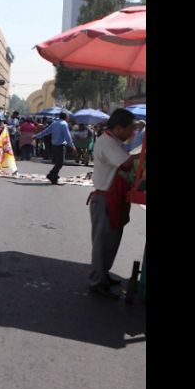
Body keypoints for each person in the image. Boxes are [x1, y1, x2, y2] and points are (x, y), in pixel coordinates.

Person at [86, 109, 137, 298]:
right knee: (103, 244)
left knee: (111, 241)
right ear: (118, 128)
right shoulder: (107, 142)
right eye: (130, 129)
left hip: (113, 198)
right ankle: (97, 281)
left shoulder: (114, 141)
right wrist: (140, 155)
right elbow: (126, 164)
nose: (132, 133)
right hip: (105, 198)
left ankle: (103, 275)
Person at [35, 112, 75, 184]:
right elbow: (67, 137)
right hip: (61, 145)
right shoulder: (64, 124)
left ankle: (54, 176)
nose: (69, 118)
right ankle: (51, 174)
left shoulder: (54, 123)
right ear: (65, 117)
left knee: (58, 162)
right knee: (60, 163)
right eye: (68, 117)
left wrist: (37, 136)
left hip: (54, 145)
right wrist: (72, 146)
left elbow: (46, 131)